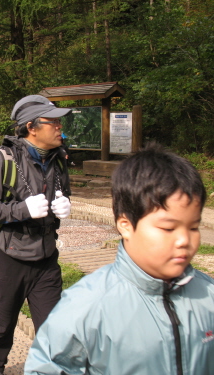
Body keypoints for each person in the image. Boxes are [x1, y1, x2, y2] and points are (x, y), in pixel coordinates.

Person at [25, 144, 214, 375]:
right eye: (168, 228)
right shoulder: (87, 306)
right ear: (125, 225)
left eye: (193, 227)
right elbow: (47, 367)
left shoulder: (208, 295)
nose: (184, 240)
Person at [0, 95, 72, 375]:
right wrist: (21, 209)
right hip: (7, 255)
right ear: (31, 127)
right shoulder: (1, 161)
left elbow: (63, 191)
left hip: (46, 257)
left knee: (54, 324)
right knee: (1, 323)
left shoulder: (59, 160)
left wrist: (66, 204)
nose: (58, 127)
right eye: (52, 122)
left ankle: (53, 368)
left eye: (59, 121)